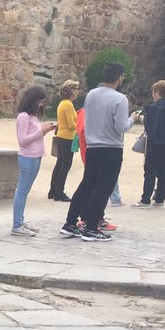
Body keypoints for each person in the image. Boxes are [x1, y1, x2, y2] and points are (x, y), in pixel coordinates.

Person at [61, 62, 132, 242]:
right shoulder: (120, 99)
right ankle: (92, 227)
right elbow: (121, 127)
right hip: (111, 147)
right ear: (120, 77)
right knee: (103, 188)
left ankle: (70, 222)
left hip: (93, 146)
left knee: (87, 185)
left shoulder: (91, 95)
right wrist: (132, 119)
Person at [11, 85, 56, 236]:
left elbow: (35, 135)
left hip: (35, 156)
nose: (41, 104)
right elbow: (22, 140)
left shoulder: (33, 117)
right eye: (40, 101)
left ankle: (20, 220)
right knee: (22, 191)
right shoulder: (23, 116)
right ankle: (17, 225)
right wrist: (41, 131)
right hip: (27, 157)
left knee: (25, 191)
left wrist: (45, 129)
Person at [133, 80, 165, 207]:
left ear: (157, 92)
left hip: (156, 143)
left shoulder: (153, 107)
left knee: (150, 171)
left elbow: (150, 126)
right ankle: (160, 199)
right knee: (164, 171)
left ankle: (145, 199)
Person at [47, 80, 80, 201]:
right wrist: (80, 125)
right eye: (77, 89)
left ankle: (53, 190)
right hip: (68, 138)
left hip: (61, 136)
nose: (78, 91)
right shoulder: (68, 105)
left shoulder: (62, 103)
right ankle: (59, 192)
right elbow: (71, 125)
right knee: (65, 165)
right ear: (72, 91)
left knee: (59, 164)